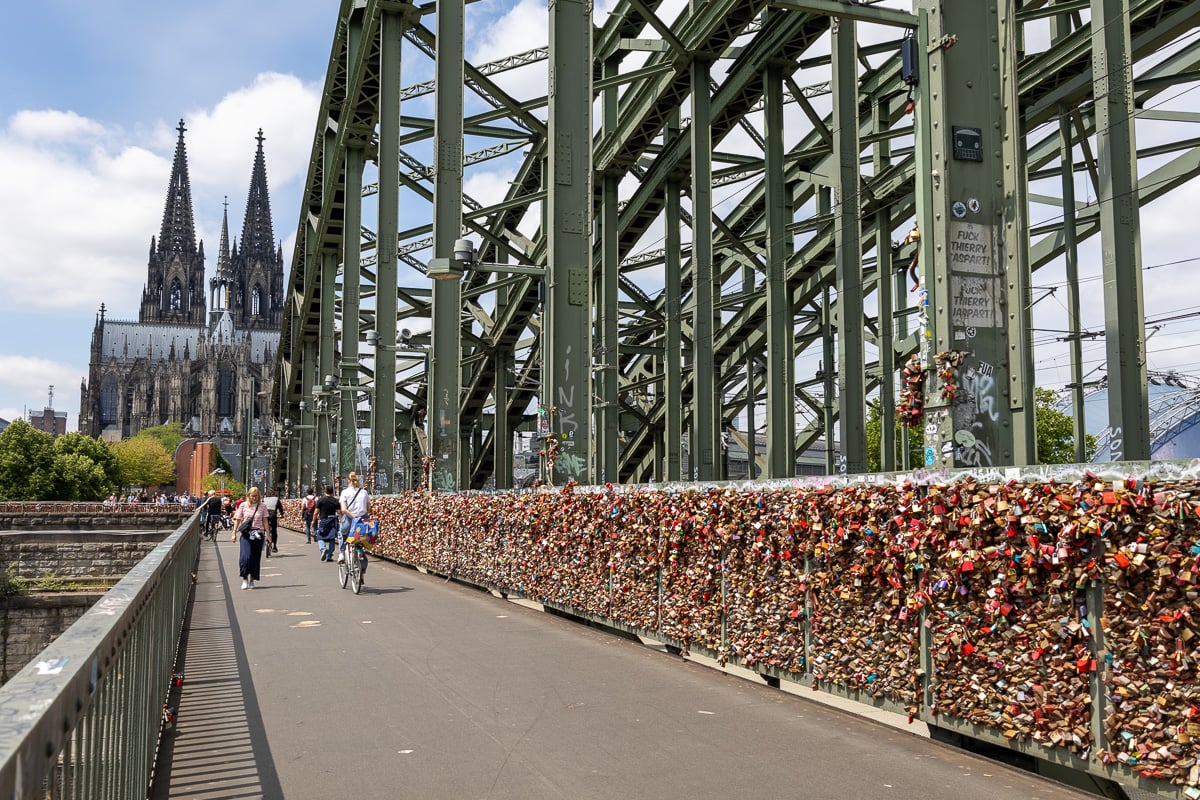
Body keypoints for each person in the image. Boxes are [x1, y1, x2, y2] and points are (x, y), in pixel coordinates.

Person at [232, 487, 269, 589]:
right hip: (246, 534)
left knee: (255, 558)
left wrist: (268, 535)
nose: (254, 498)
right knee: (245, 557)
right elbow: (238, 519)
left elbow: (265, 521)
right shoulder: (243, 505)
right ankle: (244, 578)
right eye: (252, 496)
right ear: (248, 496)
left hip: (258, 534)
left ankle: (252, 579)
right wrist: (234, 533)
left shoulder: (262, 506)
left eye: (256, 496)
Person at [337, 471, 371, 577]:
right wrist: (361, 517)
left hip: (349, 520)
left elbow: (343, 509)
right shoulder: (364, 492)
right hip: (362, 521)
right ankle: (362, 570)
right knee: (359, 542)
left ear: (348, 480)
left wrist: (353, 516)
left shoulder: (345, 492)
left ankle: (342, 554)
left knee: (342, 534)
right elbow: (368, 509)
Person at [314, 484, 341, 561]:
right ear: (332, 491)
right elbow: (339, 512)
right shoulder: (335, 500)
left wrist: (313, 521)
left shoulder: (321, 500)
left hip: (323, 520)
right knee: (332, 538)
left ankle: (323, 549)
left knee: (320, 536)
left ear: (325, 491)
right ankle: (329, 556)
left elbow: (316, 512)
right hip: (333, 520)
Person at [263, 489, 284, 555]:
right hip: (273, 516)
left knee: (263, 529)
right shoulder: (276, 499)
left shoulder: (264, 499)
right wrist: (282, 514)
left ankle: (262, 541)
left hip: (265, 516)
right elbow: (280, 508)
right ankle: (274, 546)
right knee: (274, 530)